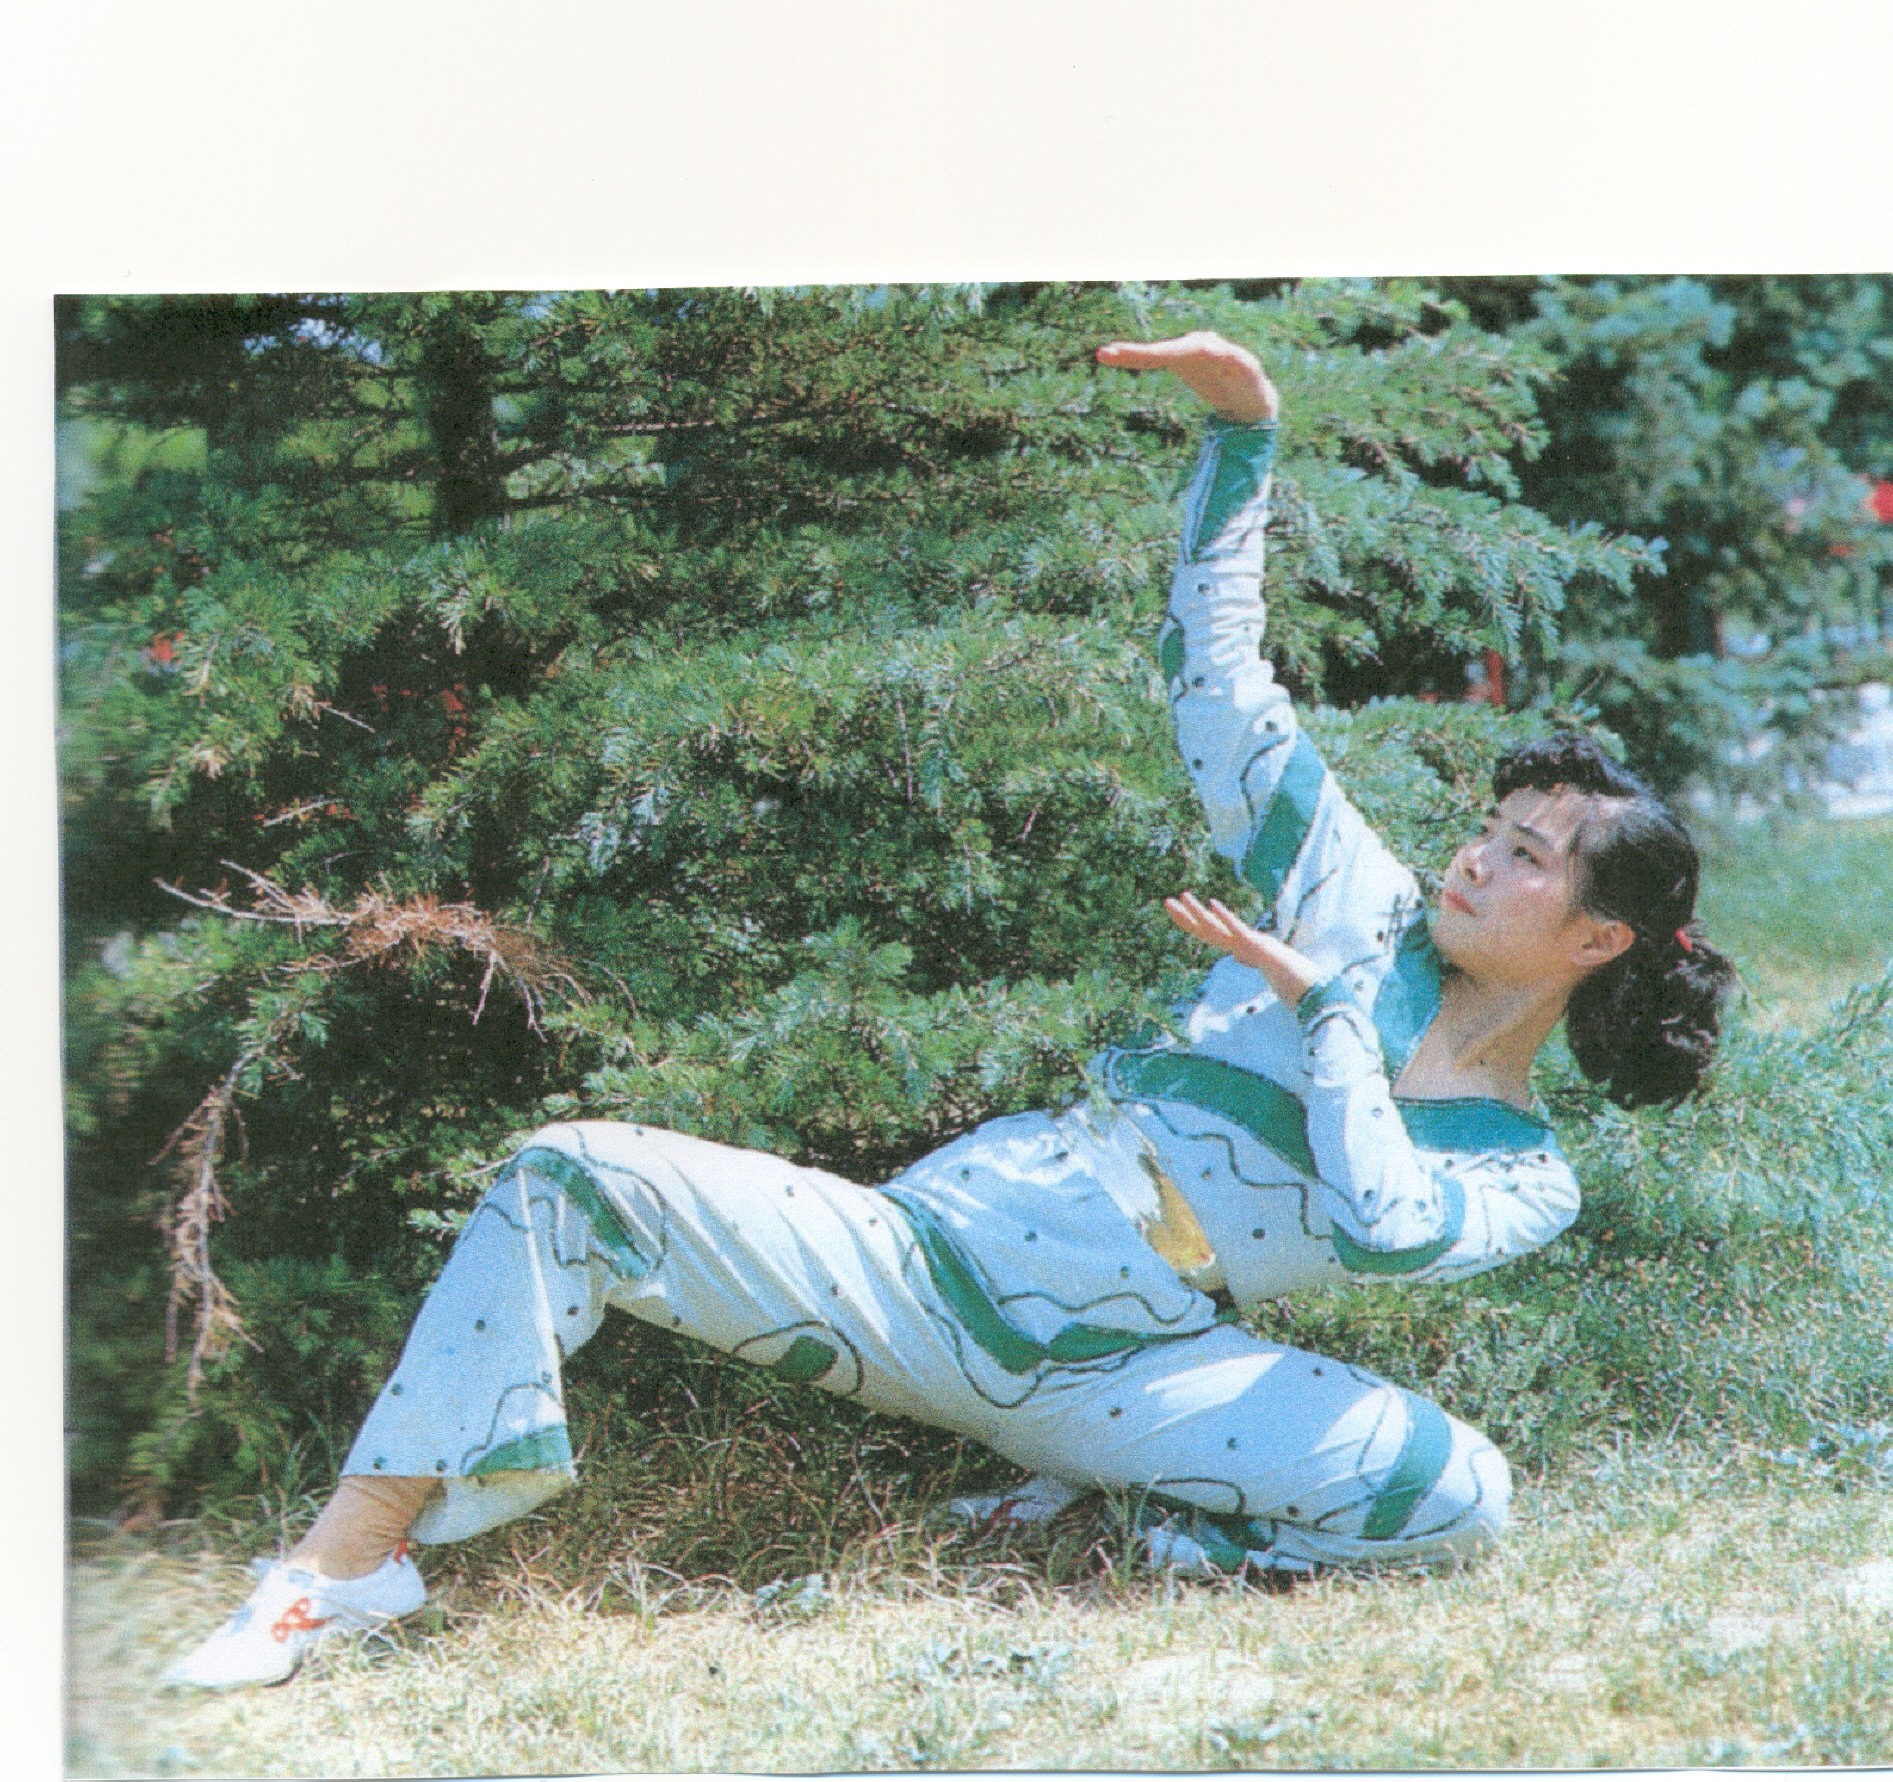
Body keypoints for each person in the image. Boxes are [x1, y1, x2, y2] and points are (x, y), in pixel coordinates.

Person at [167, 332, 1735, 1689]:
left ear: (1596, 937)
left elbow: (1386, 1228)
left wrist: (1326, 1017)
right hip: (935, 1261)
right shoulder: (1353, 895)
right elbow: (1216, 684)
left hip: (1126, 1376)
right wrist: (1242, 440)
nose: (1473, 857)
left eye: (1524, 856)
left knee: (1462, 1494)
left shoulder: (1528, 1171)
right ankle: (344, 1564)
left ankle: (1138, 1532)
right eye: (1488, 825)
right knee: (566, 1171)